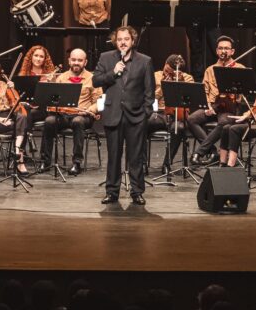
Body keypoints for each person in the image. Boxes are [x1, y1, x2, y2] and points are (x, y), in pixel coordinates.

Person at [93, 26, 155, 205]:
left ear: (132, 41)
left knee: (136, 157)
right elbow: (96, 80)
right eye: (119, 39)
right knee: (114, 156)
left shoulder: (145, 61)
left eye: (126, 39)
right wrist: (113, 73)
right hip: (113, 114)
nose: (123, 42)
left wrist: (145, 114)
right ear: (115, 41)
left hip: (136, 116)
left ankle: (137, 192)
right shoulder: (106, 58)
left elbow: (149, 92)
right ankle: (112, 192)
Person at [40, 48, 101, 176]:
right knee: (49, 121)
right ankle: (45, 161)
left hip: (83, 116)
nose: (76, 62)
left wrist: (89, 110)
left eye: (80, 60)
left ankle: (76, 163)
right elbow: (54, 99)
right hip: (64, 115)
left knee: (78, 121)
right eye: (74, 60)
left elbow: (99, 101)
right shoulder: (61, 78)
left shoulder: (93, 78)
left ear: (85, 62)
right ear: (69, 61)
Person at [189, 36, 246, 165]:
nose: (223, 51)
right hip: (213, 105)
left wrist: (236, 93)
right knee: (192, 119)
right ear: (216, 51)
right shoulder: (210, 70)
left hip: (229, 107)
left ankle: (199, 152)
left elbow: (243, 94)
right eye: (220, 48)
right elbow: (204, 91)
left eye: (226, 48)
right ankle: (213, 151)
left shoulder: (240, 68)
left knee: (224, 122)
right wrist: (207, 106)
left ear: (232, 51)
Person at [148, 54, 195, 173]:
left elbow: (190, 99)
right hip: (158, 113)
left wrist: (179, 83)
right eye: (167, 70)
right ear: (165, 64)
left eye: (172, 72)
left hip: (176, 115)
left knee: (179, 128)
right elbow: (149, 98)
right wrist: (163, 87)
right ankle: (142, 164)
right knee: (141, 123)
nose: (168, 73)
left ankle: (167, 164)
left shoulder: (187, 78)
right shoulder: (155, 76)